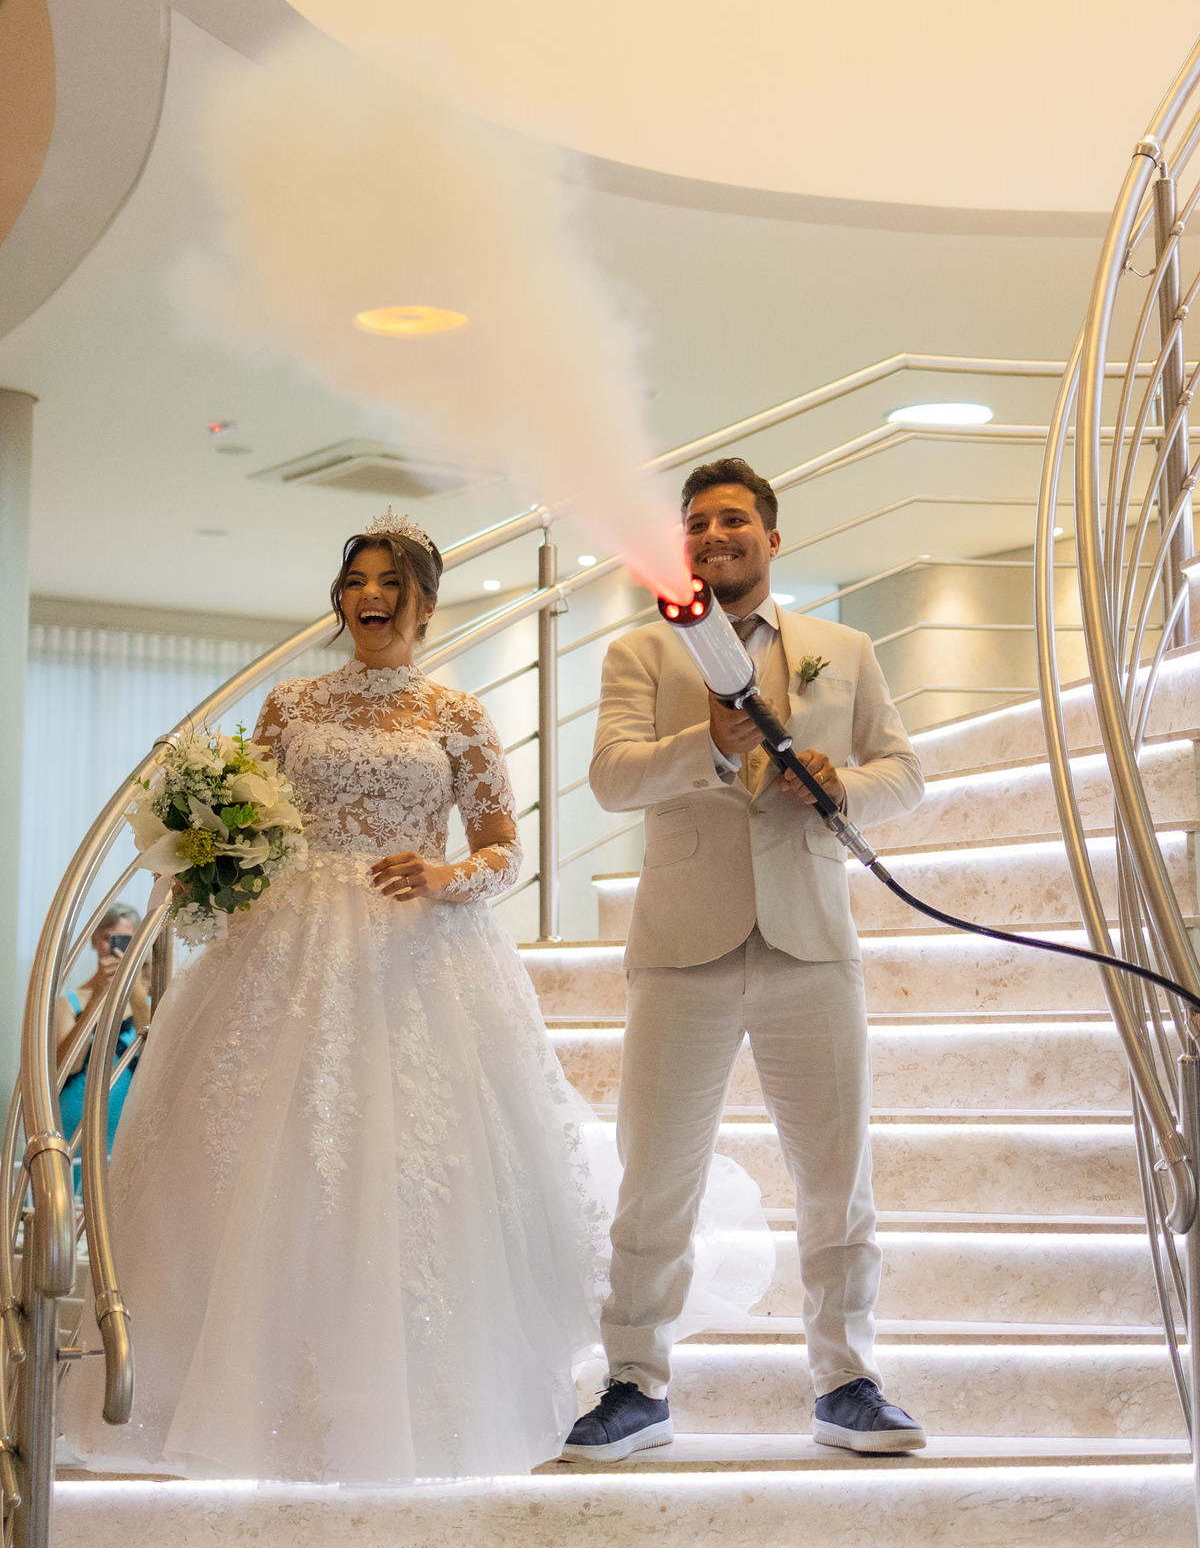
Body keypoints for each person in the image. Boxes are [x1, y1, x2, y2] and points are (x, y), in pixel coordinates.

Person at [58, 508, 767, 1481]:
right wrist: (217, 849)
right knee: (260, 1161)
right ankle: (238, 1395)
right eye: (356, 580)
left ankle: (400, 1401)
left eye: (390, 582)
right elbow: (253, 816)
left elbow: (505, 850)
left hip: (417, 954)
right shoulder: (291, 704)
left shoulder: (456, 715)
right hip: (284, 951)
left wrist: (446, 876)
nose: (371, 596)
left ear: (425, 605)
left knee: (401, 1170)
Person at [565, 457, 928, 1461]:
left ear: (772, 537)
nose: (713, 536)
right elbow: (611, 778)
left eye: (733, 520)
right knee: (655, 1178)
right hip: (685, 945)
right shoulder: (642, 651)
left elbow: (906, 774)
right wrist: (710, 745)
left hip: (812, 942)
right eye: (696, 524)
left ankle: (847, 1381)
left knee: (837, 1176)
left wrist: (841, 786)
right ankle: (635, 1384)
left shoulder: (845, 648)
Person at [55, 904, 151, 1195]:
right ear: (95, 940)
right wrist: (98, 999)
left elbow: (157, 1055)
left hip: (130, 1131)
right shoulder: (69, 1001)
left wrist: (136, 993)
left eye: (126, 941)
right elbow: (65, 1066)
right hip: (75, 1132)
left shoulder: (146, 1003)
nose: (116, 948)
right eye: (110, 938)